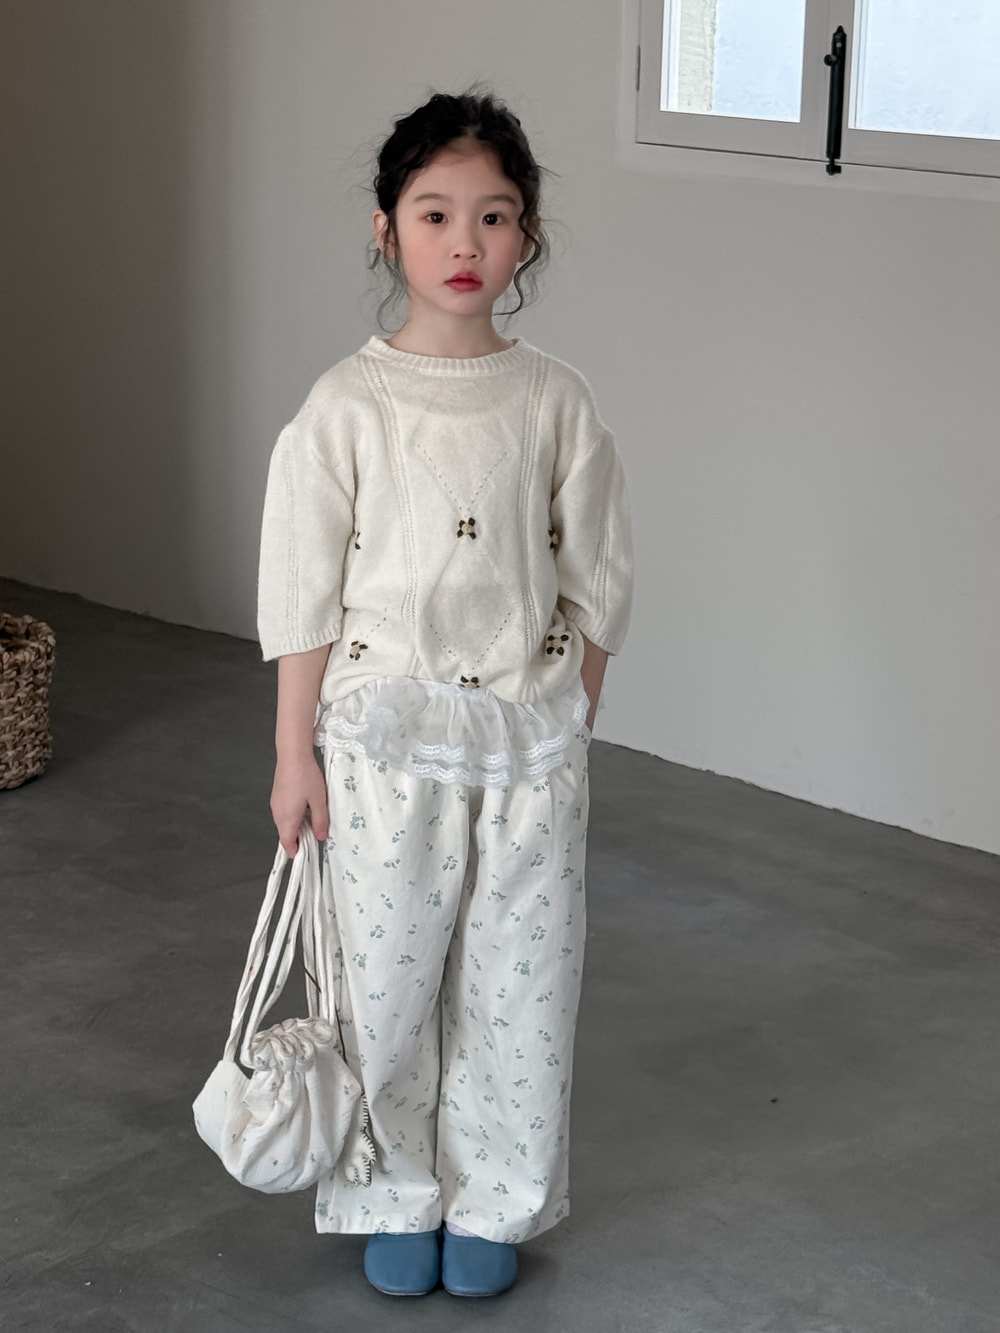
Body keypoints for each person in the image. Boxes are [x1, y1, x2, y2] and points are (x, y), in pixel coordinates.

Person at [257, 89, 633, 1299]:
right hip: (381, 744)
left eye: (493, 215)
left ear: (526, 235)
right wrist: (295, 755)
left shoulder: (555, 398)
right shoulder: (345, 405)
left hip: (527, 746)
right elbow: (304, 591)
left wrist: (572, 710)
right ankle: (391, 1189)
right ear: (386, 230)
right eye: (434, 213)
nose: (464, 241)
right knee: (385, 982)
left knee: (520, 984)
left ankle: (496, 1199)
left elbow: (597, 571)